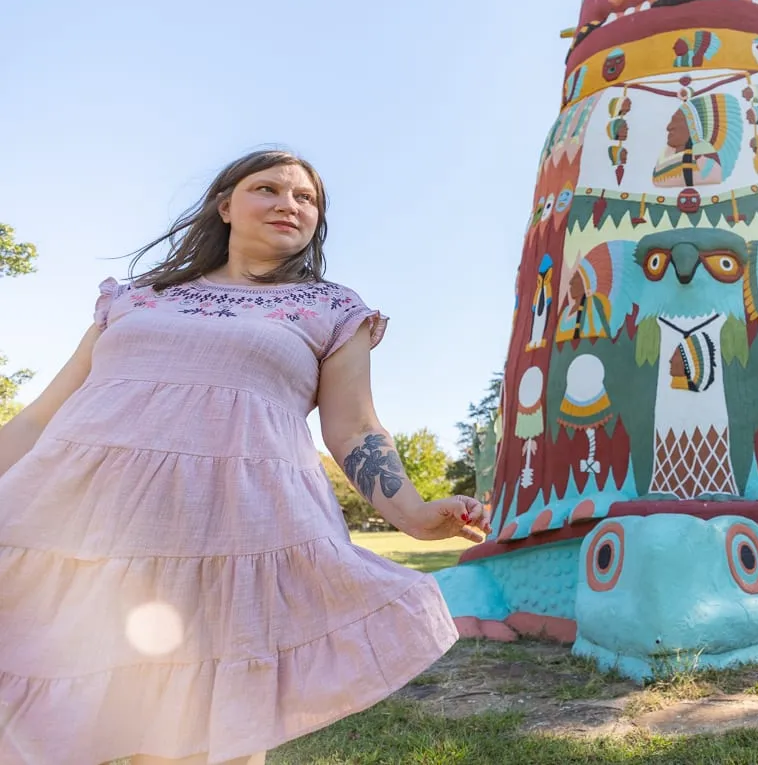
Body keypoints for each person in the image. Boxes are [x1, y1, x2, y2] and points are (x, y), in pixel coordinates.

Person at [0, 150, 488, 765]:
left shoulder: (332, 308)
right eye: (269, 189)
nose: (290, 203)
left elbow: (354, 425)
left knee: (208, 735)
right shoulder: (137, 298)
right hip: (83, 527)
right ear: (226, 206)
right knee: (68, 713)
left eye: (306, 198)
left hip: (234, 534)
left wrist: (414, 514)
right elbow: (43, 414)